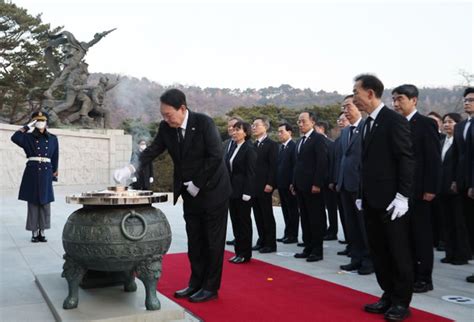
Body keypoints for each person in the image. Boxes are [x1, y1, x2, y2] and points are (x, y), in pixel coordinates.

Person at [114, 89, 231, 302]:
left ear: (183, 109)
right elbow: (152, 151)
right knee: (195, 240)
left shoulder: (204, 123)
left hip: (213, 190)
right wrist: (131, 168)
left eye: (169, 114)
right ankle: (195, 283)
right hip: (189, 192)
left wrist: (197, 183)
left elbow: (216, 157)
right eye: (163, 115)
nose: (166, 119)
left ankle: (210, 288)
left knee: (212, 241)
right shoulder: (166, 128)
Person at [353, 74, 415, 321]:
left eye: (356, 91)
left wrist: (403, 196)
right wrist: (360, 194)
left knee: (397, 251)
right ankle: (387, 295)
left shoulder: (393, 121)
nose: (354, 96)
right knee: (379, 250)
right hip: (370, 200)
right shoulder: (368, 123)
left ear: (370, 93)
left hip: (391, 202)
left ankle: (401, 302)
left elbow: (406, 159)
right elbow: (366, 165)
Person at [392, 84, 441, 293]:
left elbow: (433, 159)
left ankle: (424, 278)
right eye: (394, 99)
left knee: (421, 235)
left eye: (400, 99)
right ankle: (409, 274)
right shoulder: (395, 124)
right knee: (404, 235)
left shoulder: (425, 124)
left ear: (414, 100)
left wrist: (431, 188)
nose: (396, 103)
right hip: (399, 190)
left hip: (420, 190)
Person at [336, 95, 373, 275]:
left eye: (348, 107)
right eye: (343, 108)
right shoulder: (344, 132)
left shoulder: (368, 127)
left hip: (360, 185)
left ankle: (368, 260)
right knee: (351, 225)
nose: (345, 111)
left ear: (358, 107)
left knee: (364, 225)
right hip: (345, 184)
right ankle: (355, 257)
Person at [11, 111, 59, 243]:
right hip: (32, 172)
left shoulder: (53, 138)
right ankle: (34, 231)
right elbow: (14, 137)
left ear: (46, 122)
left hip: (46, 172)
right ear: (34, 122)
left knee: (45, 202)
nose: (40, 122)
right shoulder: (27, 137)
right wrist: (27, 126)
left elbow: (55, 157)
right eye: (37, 120)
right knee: (33, 202)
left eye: (42, 120)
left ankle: (42, 231)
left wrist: (54, 174)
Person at [291, 111, 328, 262]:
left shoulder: (318, 139)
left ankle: (317, 250)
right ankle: (308, 247)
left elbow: (322, 162)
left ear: (313, 122)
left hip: (313, 187)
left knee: (315, 218)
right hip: (300, 186)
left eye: (303, 121)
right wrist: (293, 182)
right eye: (299, 122)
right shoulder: (300, 141)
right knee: (305, 218)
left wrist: (317, 183)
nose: (300, 124)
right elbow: (297, 164)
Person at [438, 113, 471, 265]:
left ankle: (462, 254)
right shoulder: (442, 141)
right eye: (444, 122)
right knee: (446, 222)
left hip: (455, 186)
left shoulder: (461, 143)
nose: (446, 125)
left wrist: (456, 181)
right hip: (441, 188)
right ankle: (449, 253)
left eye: (450, 122)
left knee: (459, 223)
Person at [451, 87, 474, 283]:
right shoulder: (461, 126)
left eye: (471, 100)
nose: (467, 102)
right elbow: (457, 156)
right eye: (465, 100)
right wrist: (455, 180)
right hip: (462, 181)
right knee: (468, 224)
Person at [226, 121, 257, 264]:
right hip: (232, 191)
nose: (234, 132)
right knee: (235, 222)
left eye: (238, 130)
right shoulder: (233, 148)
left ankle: (245, 253)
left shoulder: (249, 148)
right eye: (234, 129)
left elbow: (251, 173)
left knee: (244, 223)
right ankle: (238, 251)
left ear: (245, 132)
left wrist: (248, 192)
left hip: (243, 192)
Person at [251, 117, 278, 253]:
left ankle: (270, 243)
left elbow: (274, 166)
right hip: (254, 186)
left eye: (256, 125)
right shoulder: (253, 145)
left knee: (267, 215)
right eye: (253, 125)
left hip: (265, 185)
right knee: (257, 214)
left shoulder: (271, 144)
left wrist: (270, 183)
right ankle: (261, 240)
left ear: (265, 127)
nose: (253, 127)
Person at [315, 121, 338, 241]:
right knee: (319, 208)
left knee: (331, 207)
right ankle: (323, 229)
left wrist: (331, 180)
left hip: (328, 181)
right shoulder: (313, 142)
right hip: (317, 181)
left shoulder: (330, 143)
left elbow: (331, 163)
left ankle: (333, 231)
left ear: (322, 128)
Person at [276, 123, 299, 244]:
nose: (279, 134)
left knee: (292, 210)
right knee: (285, 210)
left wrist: (293, 182)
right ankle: (287, 233)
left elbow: (295, 166)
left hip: (290, 185)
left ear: (290, 132)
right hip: (281, 184)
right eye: (278, 132)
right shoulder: (281, 147)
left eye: (282, 131)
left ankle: (293, 235)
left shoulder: (293, 146)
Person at [223, 116, 242, 246]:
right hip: (227, 185)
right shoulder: (227, 143)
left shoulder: (243, 144)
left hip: (240, 186)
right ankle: (237, 237)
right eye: (229, 126)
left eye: (234, 127)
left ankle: (242, 240)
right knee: (234, 215)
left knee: (241, 217)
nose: (231, 129)